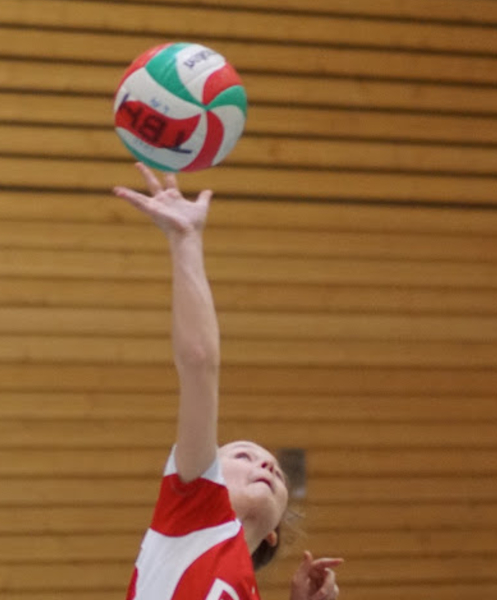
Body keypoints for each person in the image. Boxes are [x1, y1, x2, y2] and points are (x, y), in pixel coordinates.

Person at [113, 163, 343, 600]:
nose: (266, 466)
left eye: (275, 471)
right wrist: (185, 239)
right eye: (243, 455)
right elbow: (199, 362)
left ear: (273, 532)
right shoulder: (195, 507)